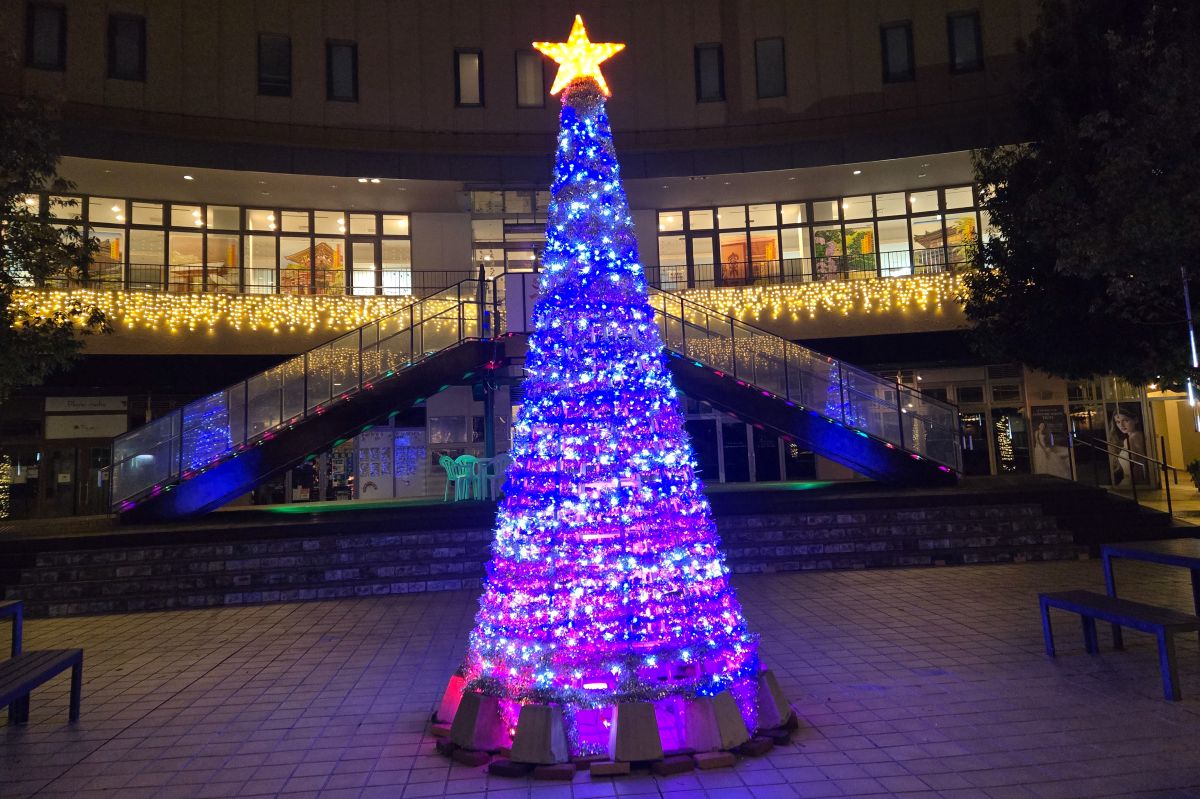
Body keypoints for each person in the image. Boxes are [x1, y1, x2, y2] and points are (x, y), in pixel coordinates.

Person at [1109, 405, 1146, 488]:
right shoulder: (1139, 435)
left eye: (1126, 420)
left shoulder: (1130, 439)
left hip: (1131, 481)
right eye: (1118, 422)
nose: (1121, 425)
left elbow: (1136, 465)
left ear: (1135, 420)